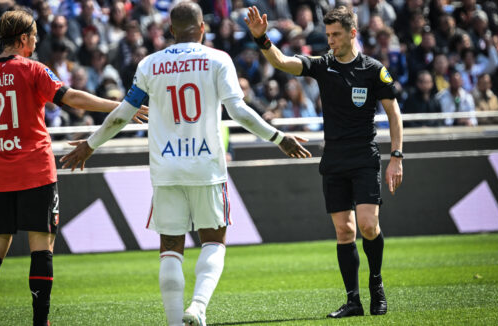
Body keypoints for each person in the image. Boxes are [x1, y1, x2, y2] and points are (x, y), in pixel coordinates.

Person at [59, 2, 311, 325]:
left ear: (171, 31)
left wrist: (90, 145)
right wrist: (279, 137)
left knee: (170, 248)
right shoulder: (218, 59)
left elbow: (123, 113)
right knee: (214, 241)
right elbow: (238, 112)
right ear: (203, 27)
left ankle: (176, 322)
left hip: (166, 169)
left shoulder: (150, 64)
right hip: (206, 165)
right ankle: (199, 306)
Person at [0, 9, 146, 326]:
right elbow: (73, 99)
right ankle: (40, 322)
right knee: (41, 247)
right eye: (34, 37)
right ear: (24, 38)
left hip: (1, 175)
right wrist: (121, 106)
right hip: (36, 171)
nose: (35, 42)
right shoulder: (33, 69)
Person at [245, 5, 403, 318]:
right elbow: (283, 61)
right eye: (328, 34)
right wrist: (262, 40)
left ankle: (376, 283)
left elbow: (393, 113)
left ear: (352, 34)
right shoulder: (322, 65)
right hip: (334, 159)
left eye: (336, 34)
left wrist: (396, 156)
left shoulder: (373, 69)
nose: (329, 40)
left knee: (369, 226)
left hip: (364, 157)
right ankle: (353, 300)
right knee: (345, 232)